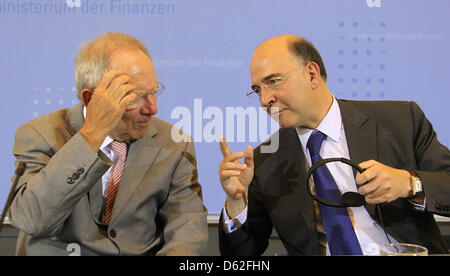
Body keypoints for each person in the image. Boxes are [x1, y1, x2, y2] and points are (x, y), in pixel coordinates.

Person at [218, 34, 450, 255]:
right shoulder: (264, 160)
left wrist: (409, 184)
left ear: (311, 74)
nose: (264, 99)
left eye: (273, 82)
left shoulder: (399, 120)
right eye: (257, 89)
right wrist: (236, 202)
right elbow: (240, 255)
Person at [9, 32, 208, 256]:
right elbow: (32, 220)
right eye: (134, 98)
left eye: (154, 92)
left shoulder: (173, 144)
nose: (152, 109)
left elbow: (187, 232)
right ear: (91, 99)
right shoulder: (40, 135)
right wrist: (92, 133)